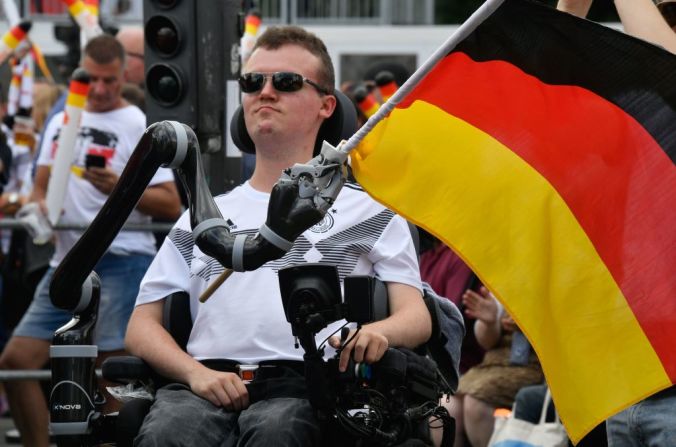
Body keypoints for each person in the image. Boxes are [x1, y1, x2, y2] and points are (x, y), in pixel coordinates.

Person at [126, 25, 432, 446]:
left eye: (285, 82)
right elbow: (142, 326)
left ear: (326, 105)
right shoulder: (203, 214)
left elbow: (416, 317)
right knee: (164, 436)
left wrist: (380, 334)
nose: (265, 92)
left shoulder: (373, 211)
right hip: (201, 383)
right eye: (252, 82)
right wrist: (195, 374)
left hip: (309, 383)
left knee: (278, 433)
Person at [0, 34, 181, 447]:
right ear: (78, 74)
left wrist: (119, 185)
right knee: (16, 362)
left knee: (110, 372)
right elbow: (40, 188)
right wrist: (35, 209)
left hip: (121, 257)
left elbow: (171, 204)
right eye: (91, 79)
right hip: (67, 262)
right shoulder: (64, 118)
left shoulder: (136, 122)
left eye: (109, 81)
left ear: (123, 76)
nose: (99, 89)